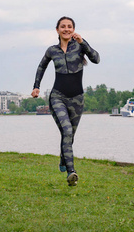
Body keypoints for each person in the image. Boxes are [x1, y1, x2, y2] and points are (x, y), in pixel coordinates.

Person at [31, 16, 100, 186]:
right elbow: (41, 67)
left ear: (73, 29)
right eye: (63, 27)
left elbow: (96, 59)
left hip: (77, 98)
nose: (66, 29)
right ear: (57, 30)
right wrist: (36, 86)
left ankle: (64, 159)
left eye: (70, 26)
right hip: (58, 97)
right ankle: (71, 172)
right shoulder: (52, 50)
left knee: (70, 135)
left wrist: (83, 42)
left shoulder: (79, 46)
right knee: (67, 131)